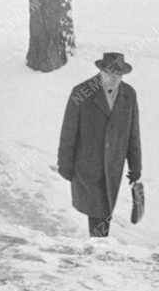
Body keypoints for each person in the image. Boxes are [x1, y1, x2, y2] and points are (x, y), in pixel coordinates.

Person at [57, 51, 142, 237]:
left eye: (118, 75)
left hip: (113, 166)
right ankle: (98, 248)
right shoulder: (81, 93)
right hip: (88, 165)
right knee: (99, 211)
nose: (114, 79)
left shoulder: (129, 95)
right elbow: (68, 131)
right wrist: (65, 164)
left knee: (105, 209)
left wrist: (136, 167)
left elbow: (133, 133)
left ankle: (98, 247)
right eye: (110, 74)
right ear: (101, 71)